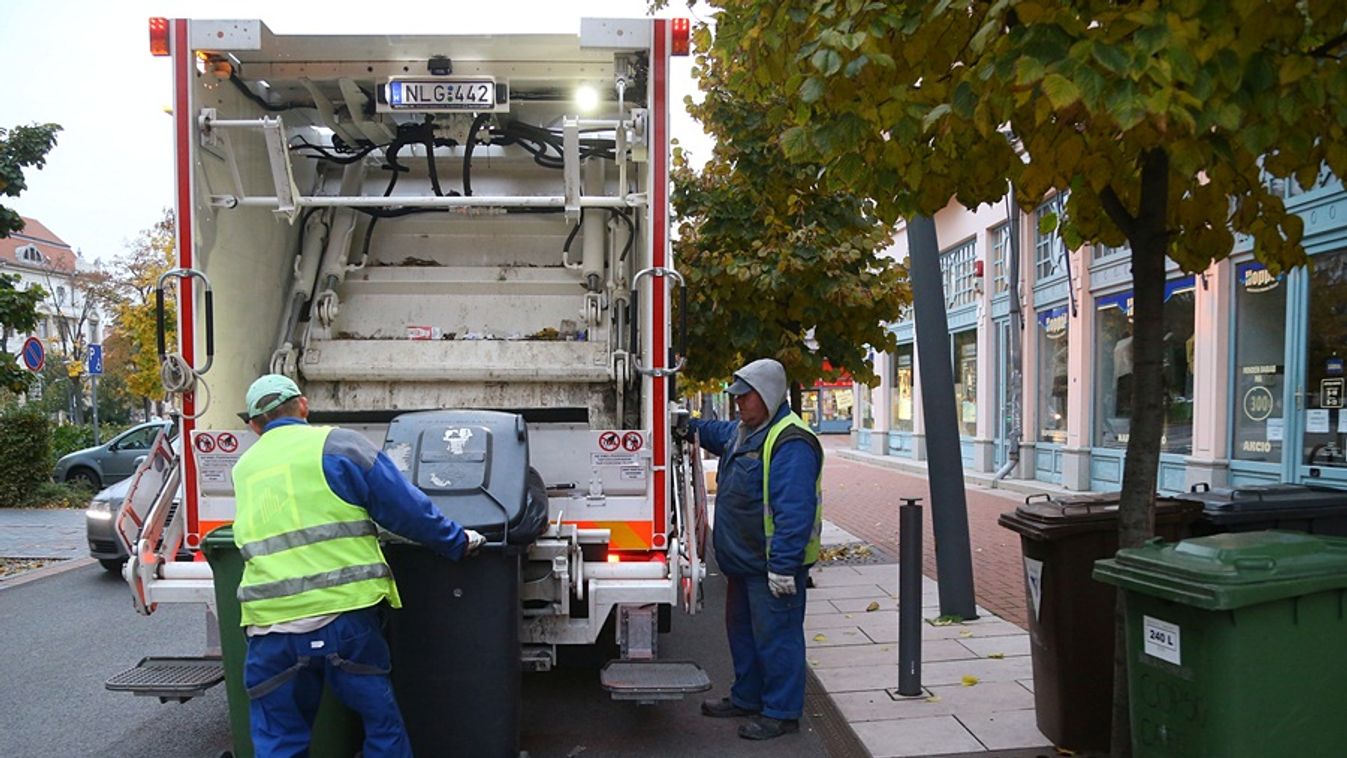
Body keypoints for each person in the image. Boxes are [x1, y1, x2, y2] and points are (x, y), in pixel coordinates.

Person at [229, 374, 485, 757]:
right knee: (381, 726)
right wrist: (457, 541)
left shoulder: (244, 468)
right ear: (303, 405)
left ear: (253, 425)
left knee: (279, 739)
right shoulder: (337, 445)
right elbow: (404, 509)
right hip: (345, 621)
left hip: (271, 628)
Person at [685, 358, 823, 740]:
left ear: (768, 395)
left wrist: (783, 565)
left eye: (745, 396)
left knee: (777, 638)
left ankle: (781, 712)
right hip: (744, 563)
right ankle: (747, 696)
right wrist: (685, 424)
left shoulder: (789, 441)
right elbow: (713, 431)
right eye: (736, 396)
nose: (738, 403)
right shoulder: (744, 432)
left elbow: (794, 511)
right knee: (744, 635)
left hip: (770, 566)